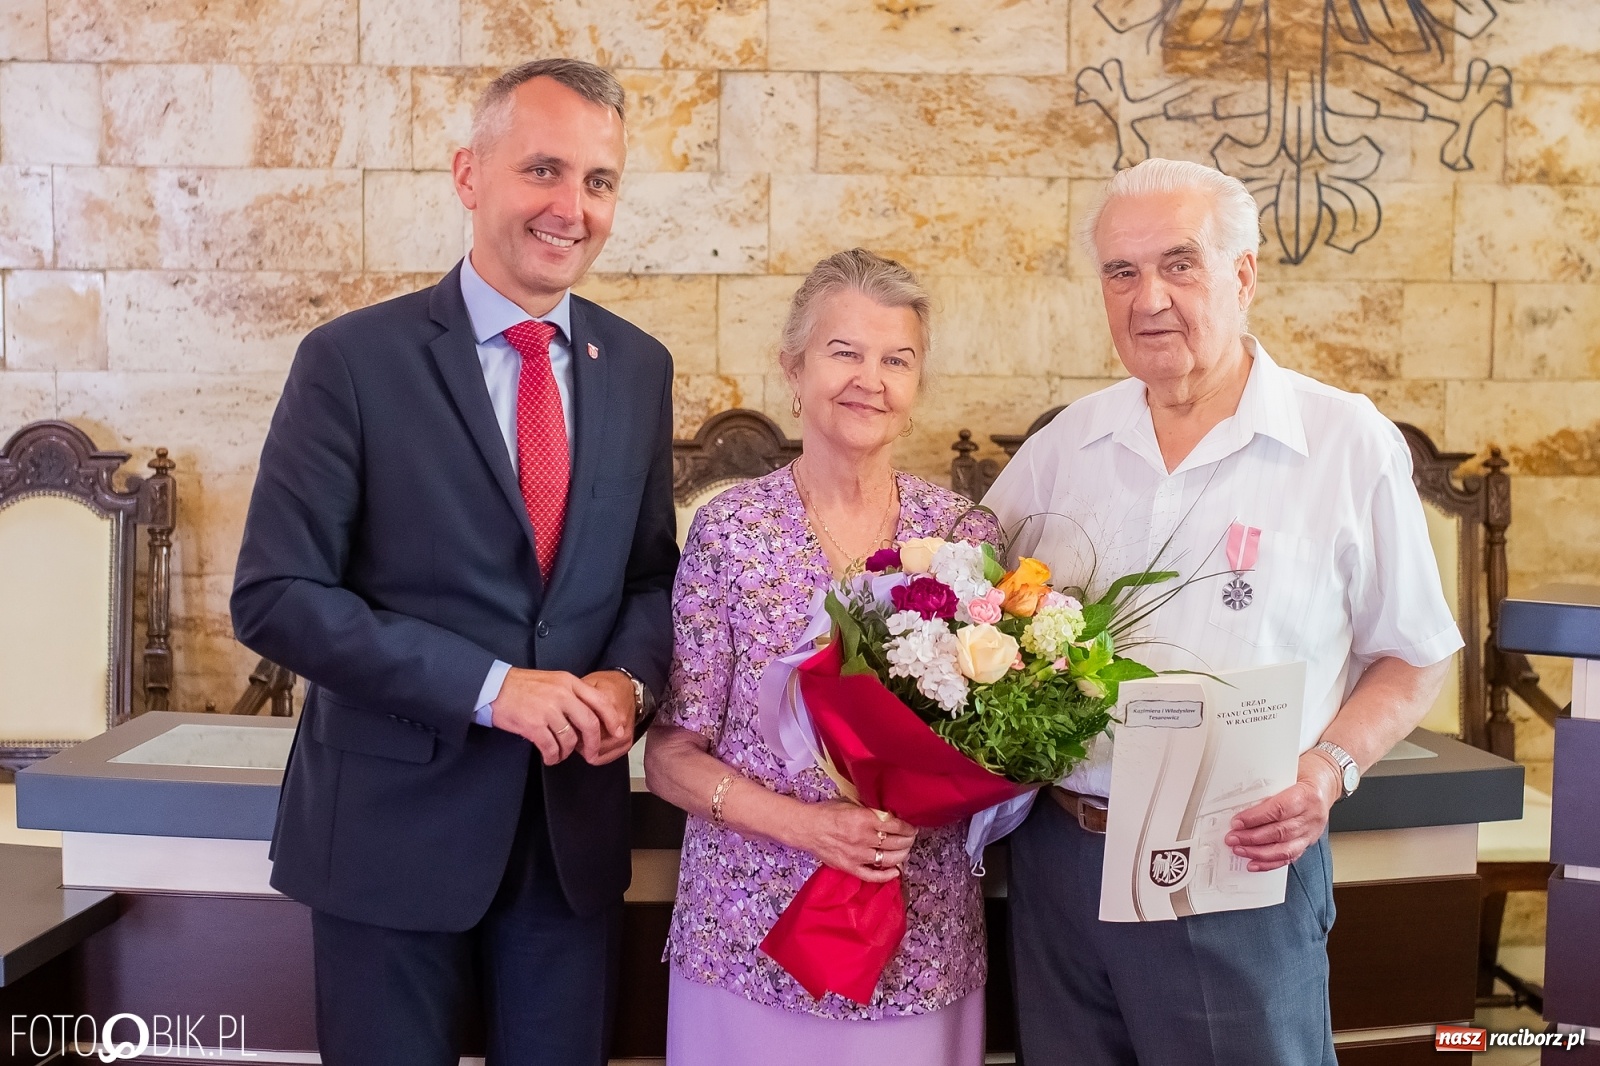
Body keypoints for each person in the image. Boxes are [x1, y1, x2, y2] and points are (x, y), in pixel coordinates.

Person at [230, 59, 678, 1066]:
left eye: (599, 182)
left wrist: (625, 680)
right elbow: (275, 595)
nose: (573, 208)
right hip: (387, 839)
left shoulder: (638, 367)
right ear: (468, 174)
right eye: (545, 171)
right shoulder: (350, 361)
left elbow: (652, 577)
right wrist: (490, 689)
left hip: (568, 844)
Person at [983, 158, 1463, 1066]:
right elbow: (968, 606)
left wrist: (1325, 772)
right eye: (1121, 272)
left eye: (1179, 264)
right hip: (1060, 867)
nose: (1148, 297)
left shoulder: (1342, 441)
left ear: (1243, 277)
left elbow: (1415, 656)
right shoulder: (1064, 449)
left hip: (1238, 867)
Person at [643, 249, 999, 1066]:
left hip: (920, 936)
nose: (869, 378)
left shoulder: (963, 540)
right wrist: (812, 828)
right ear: (794, 370)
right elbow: (670, 759)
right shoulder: (729, 533)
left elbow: (995, 741)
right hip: (747, 932)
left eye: (895, 359)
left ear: (915, 388)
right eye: (844, 352)